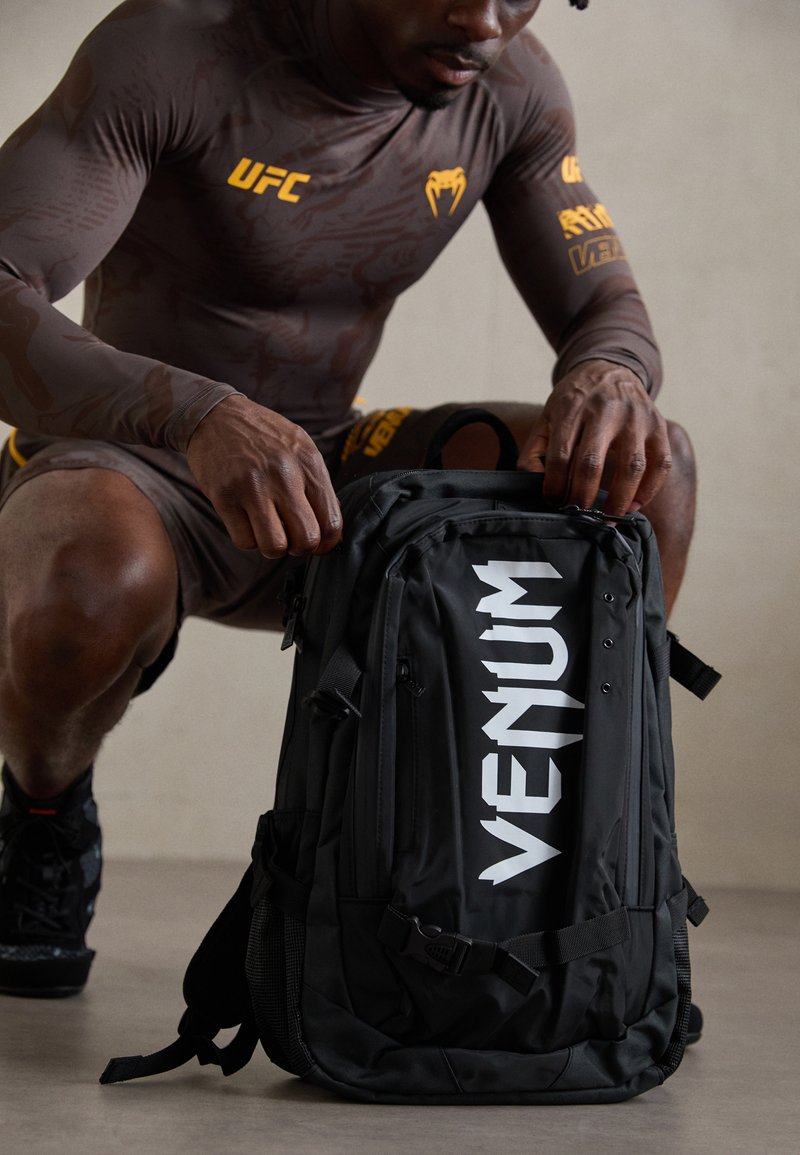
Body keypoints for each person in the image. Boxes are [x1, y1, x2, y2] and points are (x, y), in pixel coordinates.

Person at [0, 0, 695, 998]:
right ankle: (42, 818)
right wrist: (199, 414)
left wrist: (611, 369)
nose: (484, 21)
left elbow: (601, 303)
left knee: (649, 470)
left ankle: (585, 857)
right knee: (87, 576)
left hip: (326, 462)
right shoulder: (173, 48)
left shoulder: (509, 86)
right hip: (135, 454)